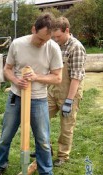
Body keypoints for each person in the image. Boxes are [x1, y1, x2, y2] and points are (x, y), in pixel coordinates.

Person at [0, 13, 63, 175]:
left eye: (47, 39)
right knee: (6, 136)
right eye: (40, 39)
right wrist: (16, 81)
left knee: (43, 139)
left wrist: (36, 77)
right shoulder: (17, 44)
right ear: (33, 29)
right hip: (16, 97)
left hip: (38, 99)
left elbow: (58, 78)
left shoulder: (52, 47)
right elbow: (7, 70)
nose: (43, 43)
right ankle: (0, 167)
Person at [48, 16, 86, 167]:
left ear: (67, 31)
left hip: (70, 91)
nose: (56, 39)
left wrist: (69, 100)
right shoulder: (56, 45)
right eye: (54, 36)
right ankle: (46, 148)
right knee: (40, 118)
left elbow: (76, 77)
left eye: (58, 36)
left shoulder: (76, 47)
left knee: (66, 126)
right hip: (53, 91)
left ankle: (63, 156)